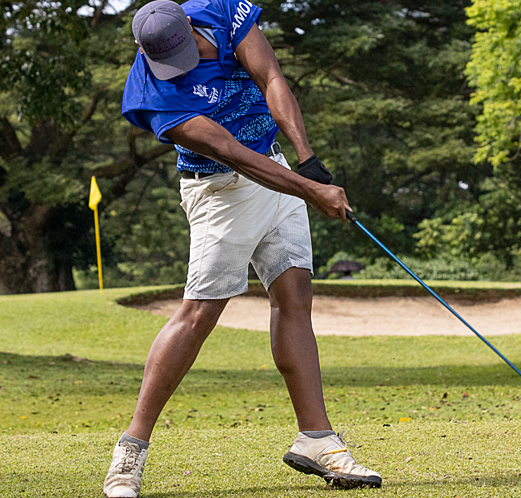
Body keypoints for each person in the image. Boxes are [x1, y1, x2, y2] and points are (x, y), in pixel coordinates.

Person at [104, 1, 381, 497]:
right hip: (221, 191)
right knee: (198, 316)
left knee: (294, 296)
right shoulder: (151, 93)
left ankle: (317, 439)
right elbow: (232, 153)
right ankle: (129, 453)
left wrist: (307, 158)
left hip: (277, 166)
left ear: (189, 24)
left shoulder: (222, 10)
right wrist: (309, 190)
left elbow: (271, 75)